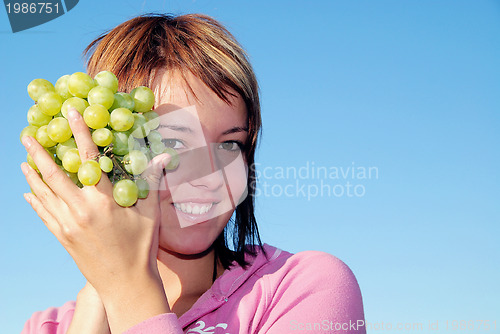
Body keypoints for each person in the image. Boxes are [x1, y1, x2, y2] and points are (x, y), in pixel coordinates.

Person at [20, 13, 366, 333]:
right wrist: (103, 288)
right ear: (112, 149)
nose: (211, 174)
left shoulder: (304, 288)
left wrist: (127, 285)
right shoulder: (46, 327)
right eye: (172, 141)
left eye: (230, 145)